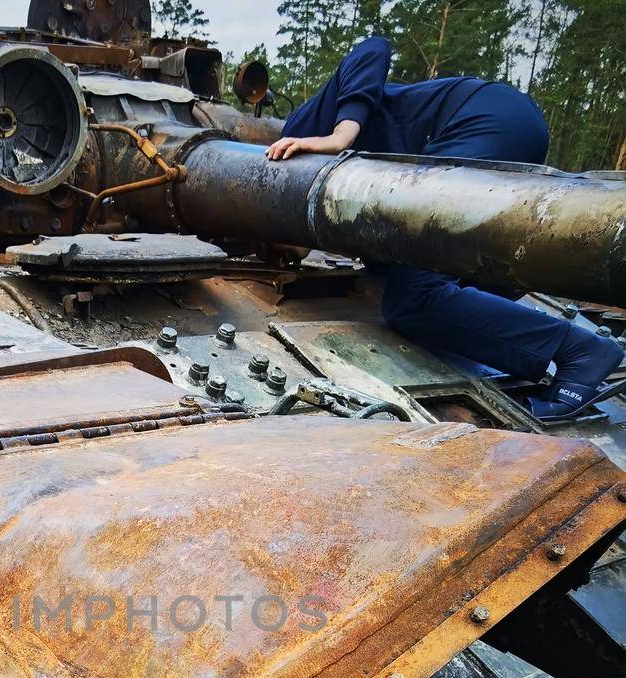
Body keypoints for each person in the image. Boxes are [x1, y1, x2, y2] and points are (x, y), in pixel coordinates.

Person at [266, 36, 622, 420]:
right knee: (416, 280)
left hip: (479, 120)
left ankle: (578, 351)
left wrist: (340, 135)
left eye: (271, 248)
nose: (280, 256)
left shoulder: (298, 141)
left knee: (411, 298)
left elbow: (373, 48)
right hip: (496, 125)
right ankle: (521, 311)